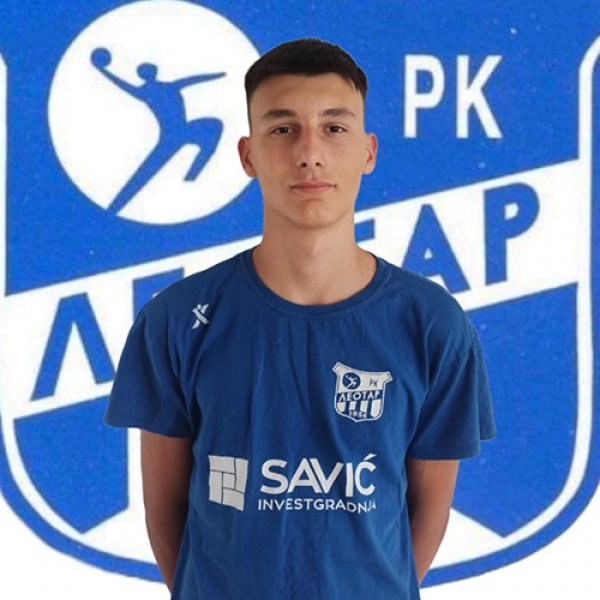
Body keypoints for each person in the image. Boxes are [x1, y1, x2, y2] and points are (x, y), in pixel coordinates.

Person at [104, 37, 496, 599]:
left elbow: (427, 512)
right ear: (248, 155)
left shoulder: (431, 323)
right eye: (283, 128)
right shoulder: (176, 320)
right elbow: (165, 512)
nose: (310, 152)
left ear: (368, 152)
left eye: (334, 127)